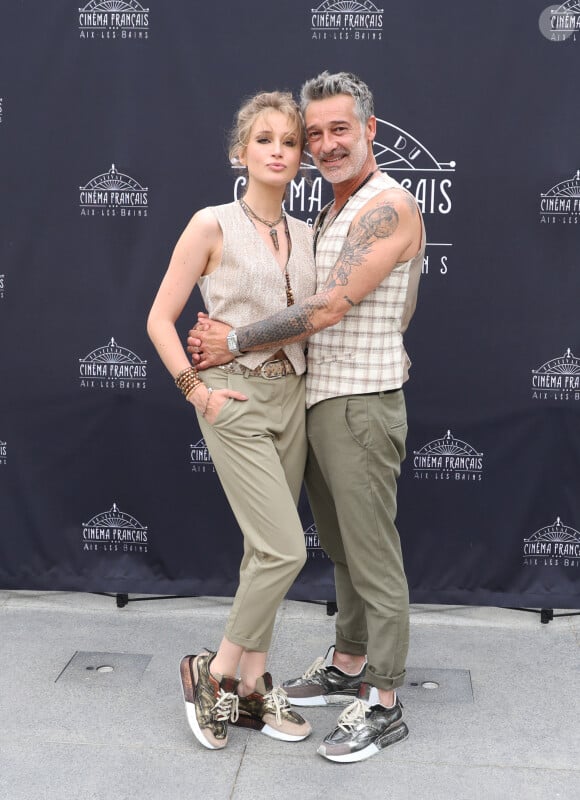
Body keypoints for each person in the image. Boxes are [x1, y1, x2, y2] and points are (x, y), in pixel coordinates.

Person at [188, 71, 426, 763]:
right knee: (346, 551)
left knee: (372, 556)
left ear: (370, 130)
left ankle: (383, 702)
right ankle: (348, 661)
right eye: (312, 134)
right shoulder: (331, 212)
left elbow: (327, 308)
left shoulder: (387, 206)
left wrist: (231, 340)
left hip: (358, 405)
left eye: (337, 129)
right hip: (321, 401)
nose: (323, 144)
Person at [147, 90, 317, 751]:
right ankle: (213, 673)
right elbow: (160, 319)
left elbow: (311, 318)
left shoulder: (308, 235)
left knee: (260, 552)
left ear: (300, 158)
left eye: (290, 141)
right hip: (233, 398)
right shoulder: (211, 224)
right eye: (265, 138)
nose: (278, 149)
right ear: (239, 152)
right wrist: (199, 393)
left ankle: (251, 691)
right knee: (285, 549)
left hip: (292, 399)